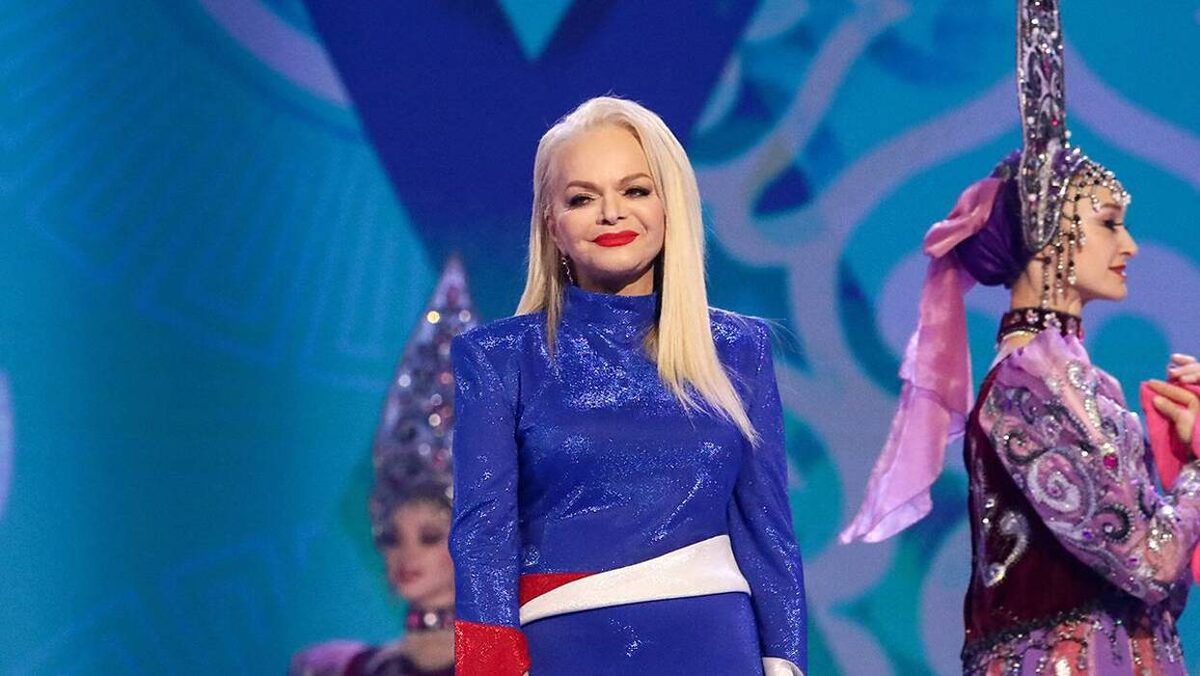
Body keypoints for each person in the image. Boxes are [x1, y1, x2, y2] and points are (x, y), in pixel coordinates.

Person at [840, 1, 1200, 673]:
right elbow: (1150, 561)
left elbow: (1158, 590)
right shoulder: (1034, 380)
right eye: (1109, 223)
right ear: (1046, 232)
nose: (1129, 245)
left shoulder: (1070, 378)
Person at [449, 96, 808, 675]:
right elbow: (482, 538)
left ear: (670, 206)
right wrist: (490, 668)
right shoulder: (499, 358)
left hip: (714, 646)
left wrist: (786, 663)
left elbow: (767, 532)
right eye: (582, 198)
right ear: (551, 224)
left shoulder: (738, 348)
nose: (611, 214)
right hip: (565, 647)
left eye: (636, 190)